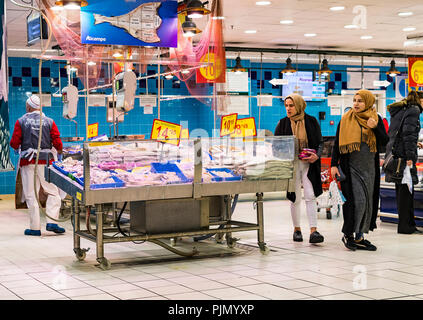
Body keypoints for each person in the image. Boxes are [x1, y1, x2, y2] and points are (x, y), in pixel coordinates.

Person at [331, 89, 389, 251]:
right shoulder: (346, 120)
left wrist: (376, 127)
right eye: (354, 100)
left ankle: (360, 236)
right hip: (351, 169)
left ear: (369, 103)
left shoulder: (376, 119)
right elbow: (337, 144)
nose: (356, 104)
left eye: (360, 101)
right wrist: (334, 165)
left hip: (370, 169)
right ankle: (348, 234)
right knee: (356, 202)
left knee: (368, 203)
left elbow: (385, 142)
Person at [10, 95, 65, 236]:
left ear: (28, 107)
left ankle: (35, 228)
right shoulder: (49, 121)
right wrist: (58, 152)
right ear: (40, 107)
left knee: (31, 194)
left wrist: (18, 148)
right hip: (46, 162)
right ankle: (52, 222)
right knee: (53, 191)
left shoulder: (21, 121)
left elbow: (14, 142)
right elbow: (58, 142)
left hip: (28, 163)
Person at [274, 93, 324, 244]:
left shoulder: (311, 121)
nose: (288, 109)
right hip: (292, 165)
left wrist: (317, 156)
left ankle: (314, 231)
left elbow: (320, 143)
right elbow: (275, 146)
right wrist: (285, 155)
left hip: (309, 164)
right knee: (294, 197)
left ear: (300, 105)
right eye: (286, 106)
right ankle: (297, 230)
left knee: (310, 195)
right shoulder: (282, 123)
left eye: (291, 105)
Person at [385, 91, 423, 234]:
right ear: (420, 100)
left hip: (396, 156)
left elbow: (401, 133)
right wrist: (410, 156)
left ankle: (407, 224)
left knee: (402, 191)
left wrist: (415, 144)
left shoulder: (402, 109)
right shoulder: (414, 110)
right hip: (404, 158)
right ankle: (406, 227)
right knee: (407, 192)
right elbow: (408, 134)